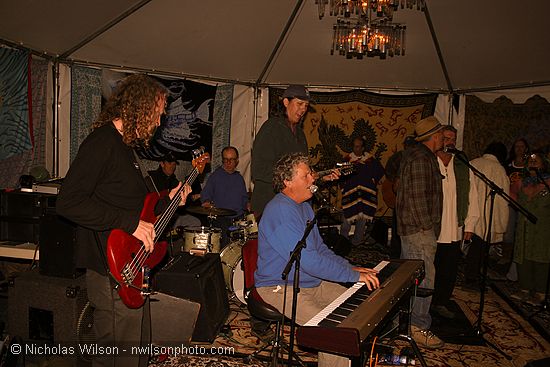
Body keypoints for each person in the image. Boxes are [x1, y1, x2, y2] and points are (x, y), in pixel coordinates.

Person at [56, 74, 192, 367]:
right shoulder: (101, 142)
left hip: (132, 266)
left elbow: (139, 210)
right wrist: (128, 223)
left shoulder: (126, 148)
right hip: (110, 267)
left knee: (138, 352)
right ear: (140, 107)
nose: (159, 122)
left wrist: (170, 198)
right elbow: (68, 202)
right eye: (157, 113)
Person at [255, 152, 380, 367]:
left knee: (357, 311)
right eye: (306, 176)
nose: (313, 178)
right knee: (337, 332)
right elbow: (309, 260)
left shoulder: (304, 206)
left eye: (311, 173)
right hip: (279, 286)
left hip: (309, 280)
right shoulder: (280, 212)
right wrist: (352, 275)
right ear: (288, 182)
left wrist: (350, 268)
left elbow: (320, 249)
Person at [395, 115, 445, 348]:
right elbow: (417, 198)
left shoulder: (419, 156)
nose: (444, 138)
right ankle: (418, 326)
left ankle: (406, 322)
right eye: (442, 134)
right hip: (419, 231)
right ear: (435, 136)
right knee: (424, 280)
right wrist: (428, 227)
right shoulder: (421, 158)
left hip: (415, 230)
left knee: (412, 279)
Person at [431, 126, 479, 319]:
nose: (450, 142)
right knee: (429, 266)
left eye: (453, 138)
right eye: (447, 138)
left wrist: (470, 225)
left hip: (454, 227)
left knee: (449, 268)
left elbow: (472, 195)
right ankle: (425, 302)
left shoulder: (461, 162)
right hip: (432, 226)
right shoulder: (429, 159)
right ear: (438, 138)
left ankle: (441, 302)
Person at [251, 85, 311, 217]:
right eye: (300, 103)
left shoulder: (300, 134)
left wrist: (321, 176)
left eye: (306, 106)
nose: (303, 109)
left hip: (294, 206)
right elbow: (259, 170)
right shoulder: (271, 128)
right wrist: (290, 179)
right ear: (286, 102)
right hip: (269, 205)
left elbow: (301, 170)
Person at [464, 142, 510, 288]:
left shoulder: (473, 163)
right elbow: (503, 199)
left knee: (475, 247)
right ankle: (472, 277)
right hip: (486, 215)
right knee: (479, 248)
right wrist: (501, 221)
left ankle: (472, 274)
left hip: (470, 210)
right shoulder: (499, 169)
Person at [511, 150, 550, 304]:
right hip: (524, 227)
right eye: (530, 162)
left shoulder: (548, 183)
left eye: (536, 161)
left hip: (543, 228)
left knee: (541, 257)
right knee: (523, 255)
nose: (532, 164)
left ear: (544, 164)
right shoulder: (522, 183)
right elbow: (511, 194)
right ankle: (524, 289)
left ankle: (540, 293)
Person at [340, 136, 385, 245]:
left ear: (363, 148)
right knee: (347, 220)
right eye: (354, 146)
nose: (356, 149)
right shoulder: (347, 160)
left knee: (362, 219)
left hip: (366, 196)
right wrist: (343, 187)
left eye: (358, 147)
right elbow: (340, 175)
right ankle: (342, 242)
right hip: (351, 195)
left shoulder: (370, 160)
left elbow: (380, 172)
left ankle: (357, 241)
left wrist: (374, 181)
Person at [201, 146, 249, 247]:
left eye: (231, 159)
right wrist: (206, 201)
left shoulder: (239, 178)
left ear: (237, 161)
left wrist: (248, 204)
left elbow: (244, 200)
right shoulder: (215, 176)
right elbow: (206, 194)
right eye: (225, 159)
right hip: (222, 219)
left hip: (238, 219)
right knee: (225, 242)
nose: (228, 162)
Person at [381, 135, 417, 259]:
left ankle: (398, 252)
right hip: (401, 198)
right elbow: (389, 175)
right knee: (397, 226)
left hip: (410, 199)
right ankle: (396, 254)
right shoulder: (398, 158)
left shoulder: (416, 159)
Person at [148, 152, 202, 230]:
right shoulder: (151, 178)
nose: (172, 166)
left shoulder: (173, 180)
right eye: (170, 163)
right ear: (162, 164)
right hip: (154, 216)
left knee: (195, 222)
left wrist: (193, 197)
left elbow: (181, 200)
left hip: (171, 214)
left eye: (174, 164)